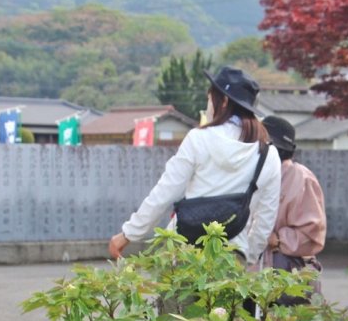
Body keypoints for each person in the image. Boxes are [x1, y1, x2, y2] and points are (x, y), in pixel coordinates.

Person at [108, 66, 280, 265]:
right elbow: (266, 218)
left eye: (209, 97)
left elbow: (165, 193)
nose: (208, 103)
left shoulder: (199, 139)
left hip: (186, 252)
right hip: (232, 257)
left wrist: (129, 234)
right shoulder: (268, 154)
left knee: (177, 296)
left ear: (223, 101)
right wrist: (247, 258)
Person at [260, 115, 326, 304]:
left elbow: (312, 233)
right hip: (257, 274)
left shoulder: (301, 178)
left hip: (287, 274)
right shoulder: (257, 174)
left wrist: (278, 238)